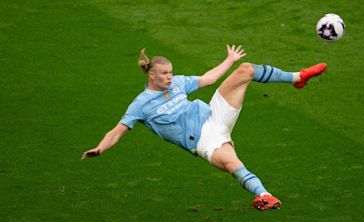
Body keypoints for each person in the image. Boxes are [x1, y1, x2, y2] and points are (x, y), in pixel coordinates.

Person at [81, 45, 327, 211]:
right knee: (234, 165)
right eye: (164, 73)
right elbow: (117, 130)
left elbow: (208, 79)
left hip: (214, 115)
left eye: (171, 72)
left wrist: (229, 60)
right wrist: (100, 148)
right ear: (151, 76)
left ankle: (298, 77)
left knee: (245, 70)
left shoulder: (177, 84)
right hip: (203, 141)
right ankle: (264, 195)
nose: (170, 77)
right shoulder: (141, 105)